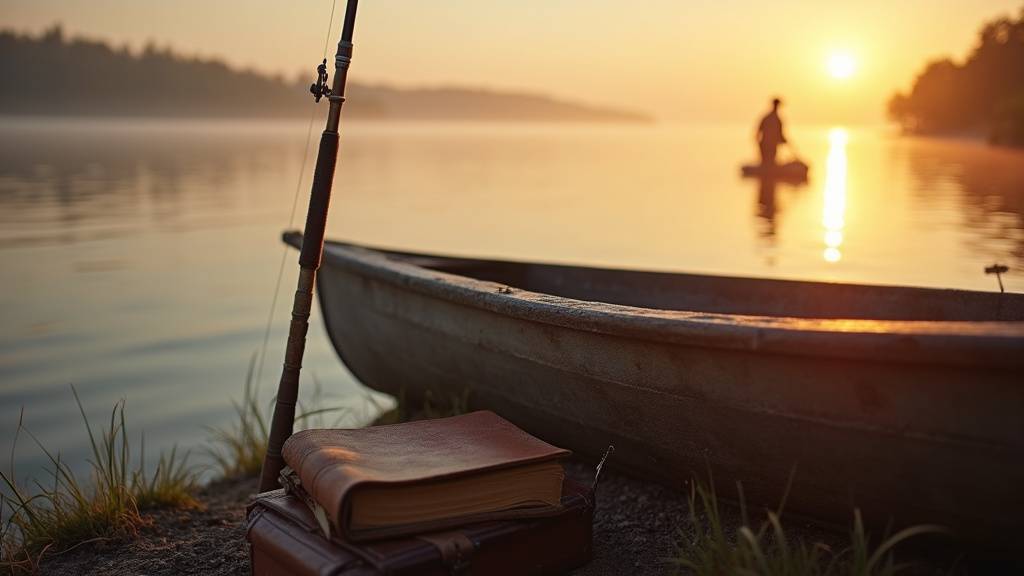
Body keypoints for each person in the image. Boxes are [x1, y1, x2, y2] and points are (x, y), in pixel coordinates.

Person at [756, 98, 787, 166]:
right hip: (767, 144)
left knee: (769, 163)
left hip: (770, 144)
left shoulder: (776, 119)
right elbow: (758, 131)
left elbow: (780, 134)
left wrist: (784, 140)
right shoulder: (770, 118)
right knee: (767, 163)